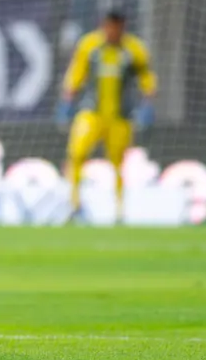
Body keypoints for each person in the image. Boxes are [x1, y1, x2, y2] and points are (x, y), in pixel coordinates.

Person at [57, 11, 157, 225]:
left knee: (118, 164)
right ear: (103, 26)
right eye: (109, 27)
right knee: (76, 153)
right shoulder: (89, 45)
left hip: (120, 117)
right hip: (91, 113)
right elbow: (77, 72)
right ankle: (74, 206)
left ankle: (119, 211)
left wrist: (148, 103)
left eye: (116, 27)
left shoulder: (134, 49)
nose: (112, 32)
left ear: (123, 27)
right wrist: (67, 98)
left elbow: (146, 77)